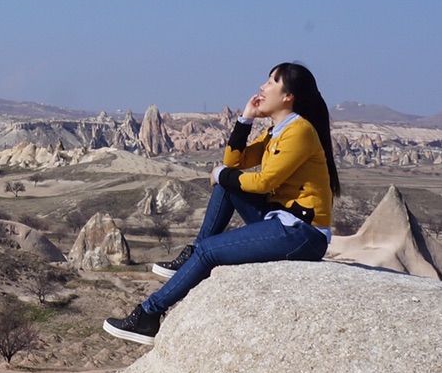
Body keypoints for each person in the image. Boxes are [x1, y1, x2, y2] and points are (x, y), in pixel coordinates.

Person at [103, 62, 340, 344]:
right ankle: (192, 255)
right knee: (225, 192)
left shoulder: (299, 131)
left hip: (303, 232)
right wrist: (245, 119)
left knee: (210, 249)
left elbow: (263, 182)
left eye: (270, 83)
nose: (262, 88)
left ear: (288, 96)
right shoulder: (278, 130)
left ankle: (148, 315)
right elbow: (234, 161)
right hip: (282, 220)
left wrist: (220, 174)